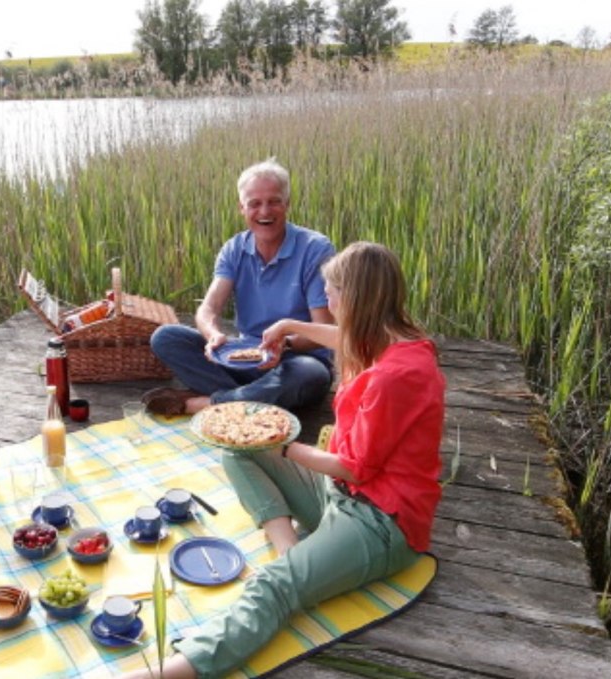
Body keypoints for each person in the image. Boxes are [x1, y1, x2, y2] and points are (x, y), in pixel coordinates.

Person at [120, 242, 446, 679]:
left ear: (355, 299)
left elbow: (354, 467)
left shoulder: (395, 376)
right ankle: (289, 548)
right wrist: (290, 326)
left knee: (273, 587)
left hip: (381, 521)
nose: (327, 303)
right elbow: (347, 340)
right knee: (240, 448)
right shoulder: (393, 343)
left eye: (331, 293)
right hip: (340, 495)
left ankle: (176, 669)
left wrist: (286, 446)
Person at [143, 157, 336, 417]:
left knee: (309, 374)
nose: (265, 212)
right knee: (166, 337)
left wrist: (285, 344)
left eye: (274, 201)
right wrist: (213, 335)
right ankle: (254, 398)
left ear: (287, 204)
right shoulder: (234, 248)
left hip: (293, 359)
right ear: (241, 208)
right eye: (255, 204)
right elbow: (208, 308)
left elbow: (322, 331)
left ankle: (208, 403)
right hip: (243, 358)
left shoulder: (315, 249)